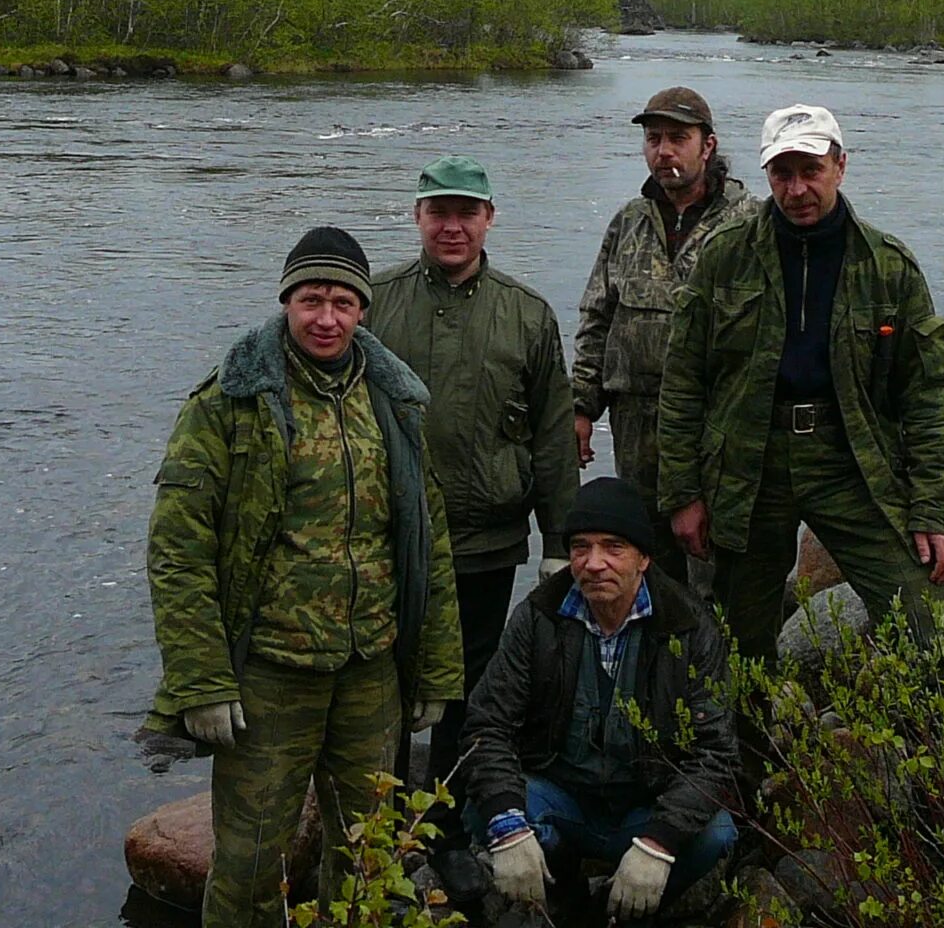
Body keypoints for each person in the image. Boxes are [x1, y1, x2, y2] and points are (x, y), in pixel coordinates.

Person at [145, 226, 465, 926]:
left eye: (344, 302)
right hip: (269, 678)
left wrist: (437, 671)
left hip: (370, 673)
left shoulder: (393, 401)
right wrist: (201, 680)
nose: (327, 318)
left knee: (368, 856)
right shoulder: (230, 401)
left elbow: (426, 543)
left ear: (363, 310)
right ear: (287, 301)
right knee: (251, 863)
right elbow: (178, 551)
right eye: (312, 299)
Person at [657, 104, 944, 671]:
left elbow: (925, 399)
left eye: (810, 171)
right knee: (736, 643)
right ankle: (746, 754)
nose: (796, 190)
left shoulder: (889, 267)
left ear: (840, 167)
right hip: (748, 464)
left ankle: (933, 746)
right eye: (782, 174)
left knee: (928, 625)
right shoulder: (724, 257)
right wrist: (683, 494)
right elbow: (682, 384)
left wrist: (935, 512)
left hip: (851, 461)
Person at [367, 155, 580, 822]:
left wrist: (560, 541)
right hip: (390, 538)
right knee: (389, 679)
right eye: (440, 212)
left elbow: (551, 436)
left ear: (489, 218)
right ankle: (381, 825)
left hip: (487, 542)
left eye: (467, 212)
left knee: (470, 685)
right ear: (418, 217)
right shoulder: (373, 302)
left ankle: (451, 823)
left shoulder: (527, 314)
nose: (452, 226)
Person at [461, 477, 738, 925]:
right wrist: (508, 829)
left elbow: (717, 753)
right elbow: (485, 725)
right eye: (580, 547)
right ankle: (563, 891)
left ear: (644, 558)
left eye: (613, 548)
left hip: (643, 804)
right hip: (560, 797)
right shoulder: (537, 617)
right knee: (485, 811)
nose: (594, 564)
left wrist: (659, 843)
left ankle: (623, 910)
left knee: (715, 834)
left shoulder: (690, 629)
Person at [571, 86, 753, 584]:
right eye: (654, 139)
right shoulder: (628, 222)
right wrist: (583, 407)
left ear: (708, 146)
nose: (664, 151)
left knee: (713, 564)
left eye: (678, 138)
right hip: (635, 427)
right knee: (647, 564)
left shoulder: (750, 224)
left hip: (714, 430)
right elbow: (596, 318)